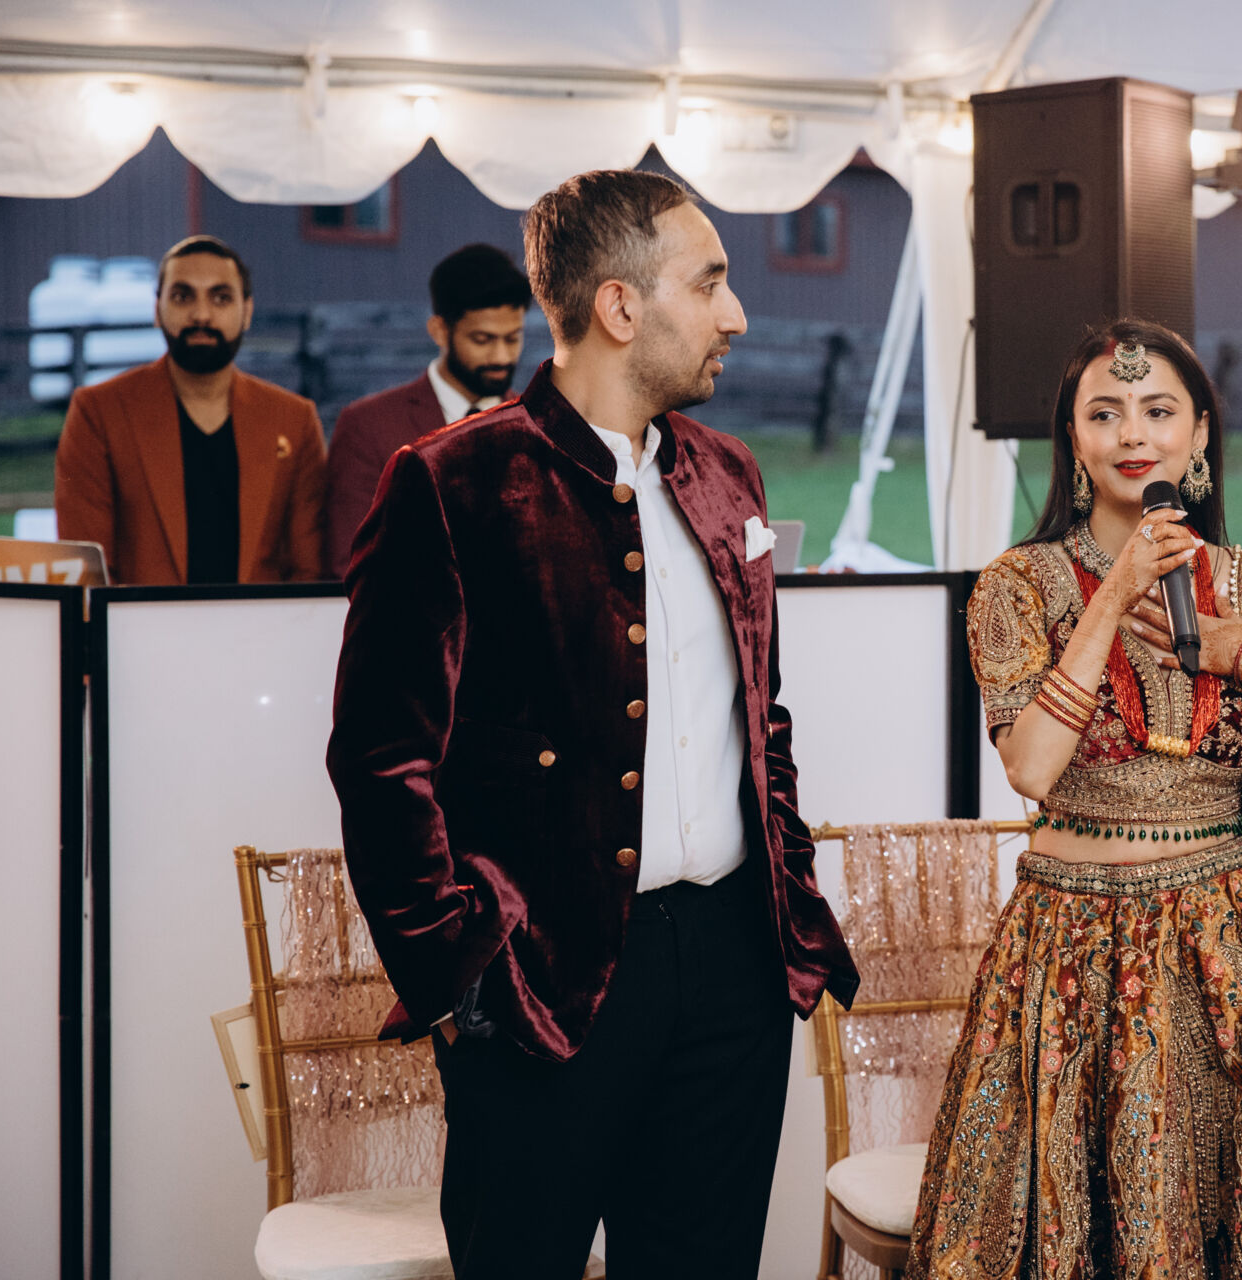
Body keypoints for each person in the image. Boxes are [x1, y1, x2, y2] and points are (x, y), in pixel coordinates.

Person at [325, 169, 857, 1280]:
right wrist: (456, 971)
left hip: (732, 971)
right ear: (620, 305)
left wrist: (786, 901)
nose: (735, 314)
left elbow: (762, 717)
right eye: (708, 282)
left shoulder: (729, 474)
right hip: (538, 978)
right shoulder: (450, 480)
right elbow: (381, 759)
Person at [909, 319, 1242, 1280]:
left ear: (1199, 433)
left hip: (1226, 955)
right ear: (1074, 439)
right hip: (1068, 958)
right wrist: (1113, 593)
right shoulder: (1017, 586)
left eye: (1159, 410)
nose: (1133, 433)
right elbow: (1031, 767)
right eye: (1105, 413)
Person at [53, 234, 325, 584]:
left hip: (265, 620)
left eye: (221, 297)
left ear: (247, 311)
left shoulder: (293, 419)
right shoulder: (99, 413)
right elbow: (88, 572)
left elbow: (308, 571)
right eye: (183, 296)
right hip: (137, 620)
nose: (201, 315)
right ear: (157, 309)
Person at [322, 243, 531, 577]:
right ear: (439, 331)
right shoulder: (368, 426)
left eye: (513, 338)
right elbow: (350, 567)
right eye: (482, 340)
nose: (501, 356)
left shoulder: (540, 427)